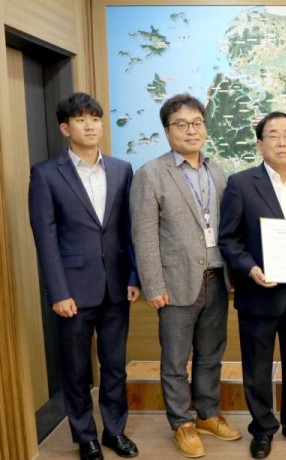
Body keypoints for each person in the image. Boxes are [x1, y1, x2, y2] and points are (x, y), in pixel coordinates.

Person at [28, 92, 140, 460]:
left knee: (115, 366)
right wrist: (58, 292)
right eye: (80, 119)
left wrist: (134, 276)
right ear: (65, 128)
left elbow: (128, 229)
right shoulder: (46, 174)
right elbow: (45, 239)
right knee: (76, 370)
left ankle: (114, 432)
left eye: (95, 118)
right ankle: (85, 436)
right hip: (73, 291)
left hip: (116, 287)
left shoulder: (122, 169)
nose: (90, 125)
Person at [130, 94, 241, 458]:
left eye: (197, 123)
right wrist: (153, 285)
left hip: (217, 279)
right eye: (181, 124)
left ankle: (207, 414)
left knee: (211, 355)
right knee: (175, 361)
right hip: (175, 284)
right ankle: (181, 422)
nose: (191, 130)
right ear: (167, 131)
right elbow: (144, 234)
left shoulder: (217, 171)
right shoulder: (151, 174)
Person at [218, 112, 286, 459]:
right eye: (273, 135)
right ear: (259, 143)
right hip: (257, 293)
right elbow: (229, 239)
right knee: (257, 368)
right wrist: (250, 269)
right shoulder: (240, 183)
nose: (281, 142)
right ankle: (262, 429)